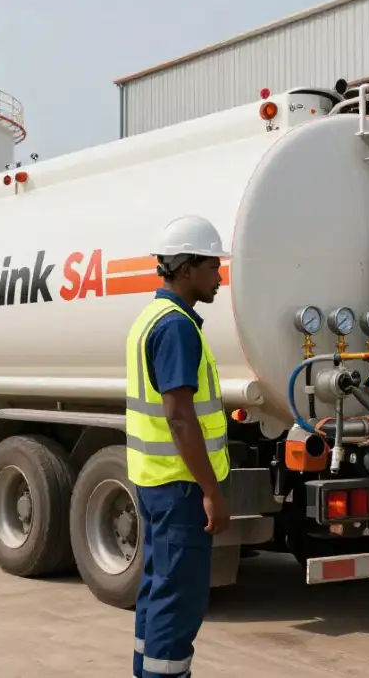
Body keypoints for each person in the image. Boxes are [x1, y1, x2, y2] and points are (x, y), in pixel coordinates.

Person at [126, 215, 232, 678]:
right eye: (213, 266)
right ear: (187, 268)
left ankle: (147, 672)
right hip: (182, 488)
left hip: (157, 484)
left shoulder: (152, 318)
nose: (219, 277)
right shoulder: (176, 328)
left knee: (157, 590)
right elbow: (180, 417)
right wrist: (210, 490)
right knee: (179, 598)